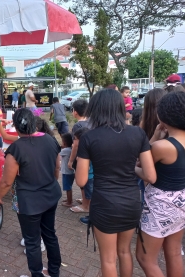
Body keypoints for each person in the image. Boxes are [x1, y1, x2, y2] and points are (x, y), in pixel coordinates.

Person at [75, 88, 156, 277]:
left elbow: (81, 180)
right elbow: (151, 176)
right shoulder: (138, 133)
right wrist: (130, 169)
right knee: (124, 252)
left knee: (108, 259)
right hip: (131, 201)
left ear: (96, 109)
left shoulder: (89, 137)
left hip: (105, 204)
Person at [0, 108, 62, 277]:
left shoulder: (16, 149)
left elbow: (6, 182)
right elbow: (56, 168)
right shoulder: (50, 140)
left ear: (16, 127)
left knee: (32, 242)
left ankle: (37, 274)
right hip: (50, 196)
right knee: (50, 235)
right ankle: (54, 272)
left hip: (29, 203)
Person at [136, 91, 185, 277]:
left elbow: (142, 167)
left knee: (145, 257)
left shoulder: (162, 147)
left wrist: (155, 137)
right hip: (180, 203)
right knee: (173, 252)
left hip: (161, 207)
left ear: (162, 115)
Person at [67, 99, 89, 208]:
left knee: (82, 180)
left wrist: (71, 161)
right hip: (91, 157)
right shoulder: (92, 122)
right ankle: (85, 199)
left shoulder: (77, 126)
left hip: (81, 157)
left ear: (75, 112)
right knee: (89, 180)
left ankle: (85, 205)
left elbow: (75, 145)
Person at [72, 127, 93, 216]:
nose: (74, 142)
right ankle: (85, 201)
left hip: (89, 177)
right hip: (90, 176)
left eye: (76, 139)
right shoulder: (91, 146)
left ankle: (86, 207)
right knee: (87, 191)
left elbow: (86, 167)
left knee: (90, 193)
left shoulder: (87, 150)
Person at [60, 133, 74, 208]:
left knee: (67, 187)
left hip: (66, 172)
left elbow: (58, 155)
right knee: (69, 186)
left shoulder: (65, 150)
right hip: (70, 172)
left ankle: (69, 202)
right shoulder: (71, 149)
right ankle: (69, 199)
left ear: (64, 142)